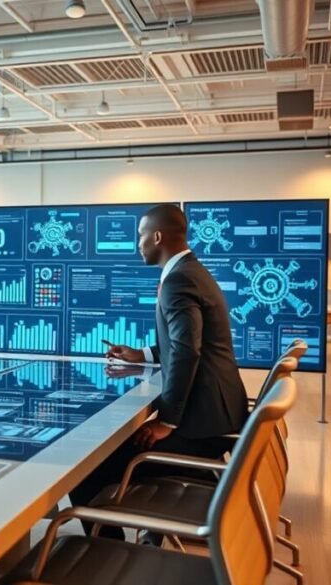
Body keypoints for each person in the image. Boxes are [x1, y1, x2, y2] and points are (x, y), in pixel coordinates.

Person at [70, 203, 249, 538]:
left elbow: (186, 350)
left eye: (140, 235)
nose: (138, 243)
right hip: (220, 414)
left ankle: (107, 552)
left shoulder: (179, 280)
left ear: (156, 236)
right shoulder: (192, 273)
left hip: (205, 426)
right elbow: (186, 343)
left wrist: (167, 421)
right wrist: (142, 354)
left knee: (85, 470)